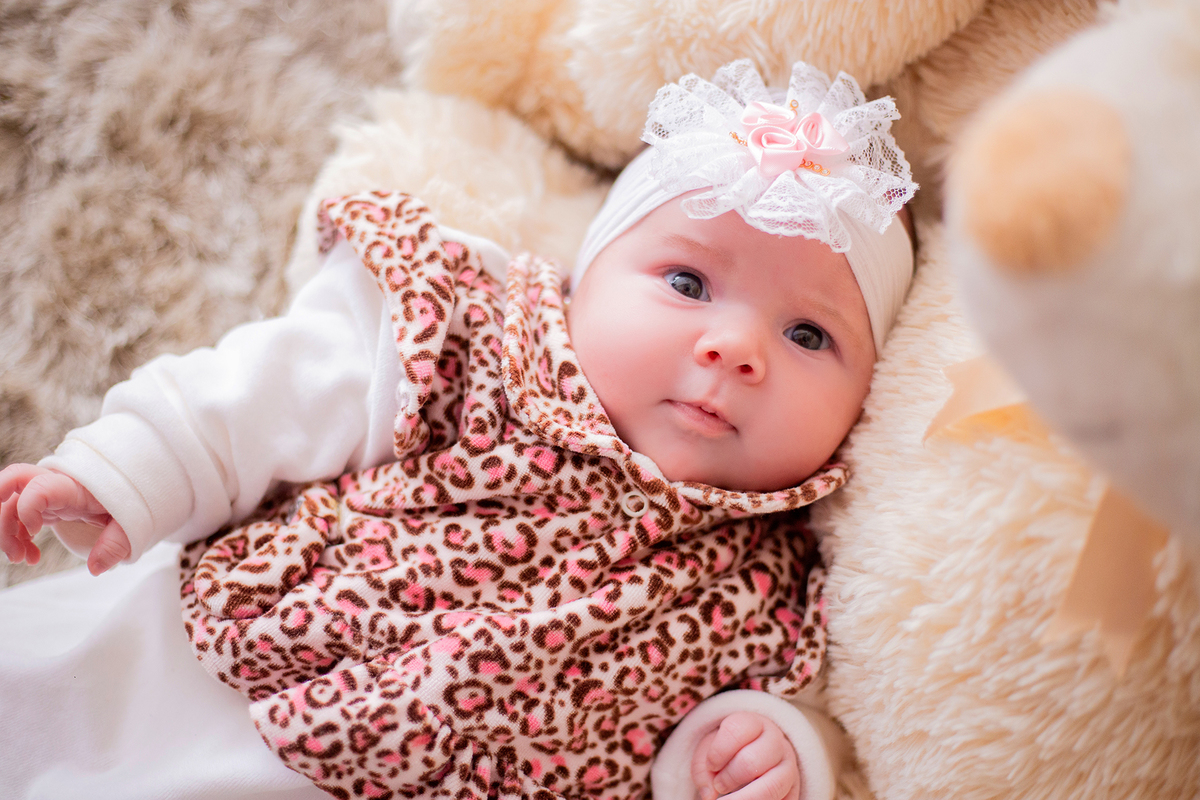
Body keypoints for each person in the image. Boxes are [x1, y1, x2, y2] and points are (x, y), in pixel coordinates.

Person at [0, 59, 916, 800]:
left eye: (808, 335)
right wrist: (133, 468)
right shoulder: (470, 335)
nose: (734, 347)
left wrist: (765, 750)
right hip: (216, 662)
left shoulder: (774, 583)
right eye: (686, 283)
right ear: (582, 277)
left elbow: (786, 722)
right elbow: (270, 392)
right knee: (45, 690)